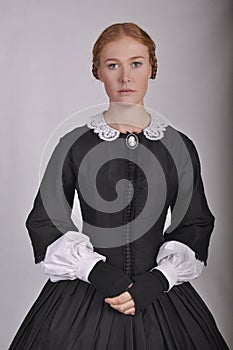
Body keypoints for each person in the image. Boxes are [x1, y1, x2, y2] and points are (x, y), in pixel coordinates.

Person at [9, 22, 229, 350]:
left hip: (158, 295)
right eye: (113, 65)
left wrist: (159, 280)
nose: (125, 77)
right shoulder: (74, 144)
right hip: (85, 293)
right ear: (97, 71)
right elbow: (45, 220)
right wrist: (97, 272)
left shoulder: (180, 147)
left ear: (151, 68)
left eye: (136, 64)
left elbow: (194, 223)